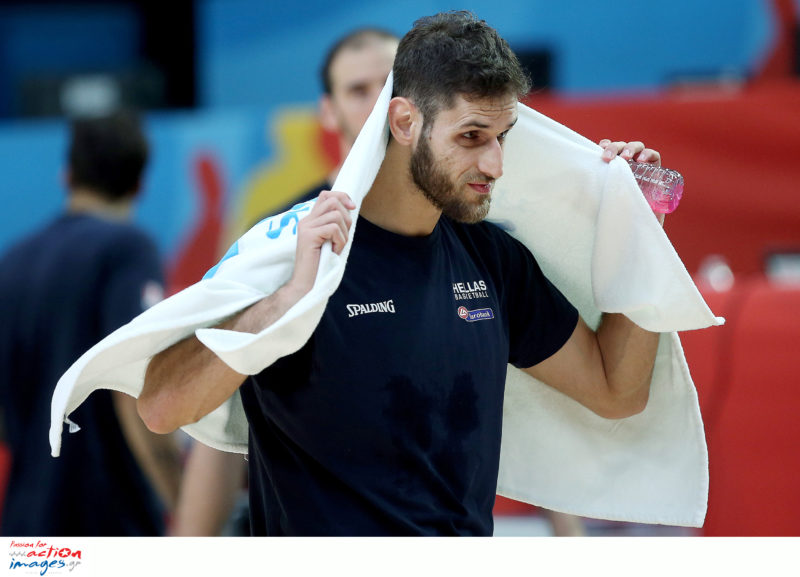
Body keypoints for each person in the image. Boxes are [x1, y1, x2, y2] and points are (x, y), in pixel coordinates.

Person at [139, 11, 665, 536]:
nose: (495, 164)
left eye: (502, 136)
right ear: (405, 122)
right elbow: (161, 408)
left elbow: (616, 390)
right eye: (472, 136)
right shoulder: (292, 247)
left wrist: (639, 232)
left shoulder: (491, 257)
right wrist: (288, 300)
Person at [172, 26, 402, 537]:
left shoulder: (459, 227)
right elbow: (225, 402)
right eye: (357, 89)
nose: (376, 102)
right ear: (328, 111)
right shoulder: (276, 238)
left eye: (389, 84)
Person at [0, 111, 182, 536]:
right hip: (109, 525)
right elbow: (136, 394)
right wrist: (188, 507)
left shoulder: (11, 263)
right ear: (140, 185)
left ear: (67, 175)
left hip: (25, 530)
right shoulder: (128, 250)